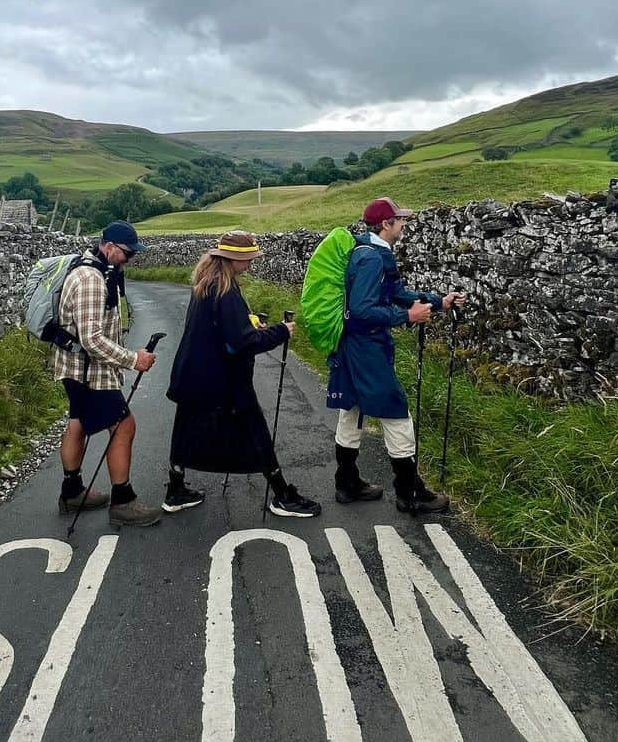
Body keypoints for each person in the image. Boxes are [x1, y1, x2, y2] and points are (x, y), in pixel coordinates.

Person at [165, 230, 322, 518]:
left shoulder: (206, 283)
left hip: (193, 374)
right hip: (222, 380)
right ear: (234, 258)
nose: (251, 263)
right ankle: (282, 496)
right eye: (248, 258)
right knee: (255, 429)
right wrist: (279, 332)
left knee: (186, 429)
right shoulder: (226, 291)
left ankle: (175, 490)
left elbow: (224, 331)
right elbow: (240, 343)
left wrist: (249, 325)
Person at [327, 197, 466, 514]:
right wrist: (406, 318)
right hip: (366, 348)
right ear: (386, 225)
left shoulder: (369, 252)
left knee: (352, 410)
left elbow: (396, 294)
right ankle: (410, 494)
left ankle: (346, 484)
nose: (404, 224)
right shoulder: (372, 260)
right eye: (400, 220)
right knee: (396, 413)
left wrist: (438, 302)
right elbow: (360, 310)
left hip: (351, 348)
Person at [53, 219, 161, 527]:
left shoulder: (97, 270)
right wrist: (132, 359)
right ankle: (123, 502)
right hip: (90, 372)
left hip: (75, 369)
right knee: (124, 426)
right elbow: (91, 339)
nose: (131, 259)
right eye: (128, 253)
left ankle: (72, 491)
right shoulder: (90, 279)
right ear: (109, 247)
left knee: (78, 423)